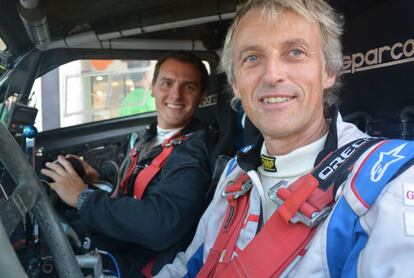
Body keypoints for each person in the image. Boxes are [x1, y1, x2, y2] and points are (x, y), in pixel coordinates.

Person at [157, 1, 414, 277]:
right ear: (235, 83)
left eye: (295, 52)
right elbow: (189, 265)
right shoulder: (235, 171)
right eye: (252, 58)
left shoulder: (391, 181)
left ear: (328, 72)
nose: (272, 75)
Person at [41, 51, 217, 277]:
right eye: (167, 83)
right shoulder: (153, 134)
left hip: (138, 259)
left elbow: (162, 224)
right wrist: (97, 176)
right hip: (122, 237)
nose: (176, 94)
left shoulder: (193, 153)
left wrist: (83, 198)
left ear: (202, 96)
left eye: (189, 87)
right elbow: (138, 178)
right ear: (152, 87)